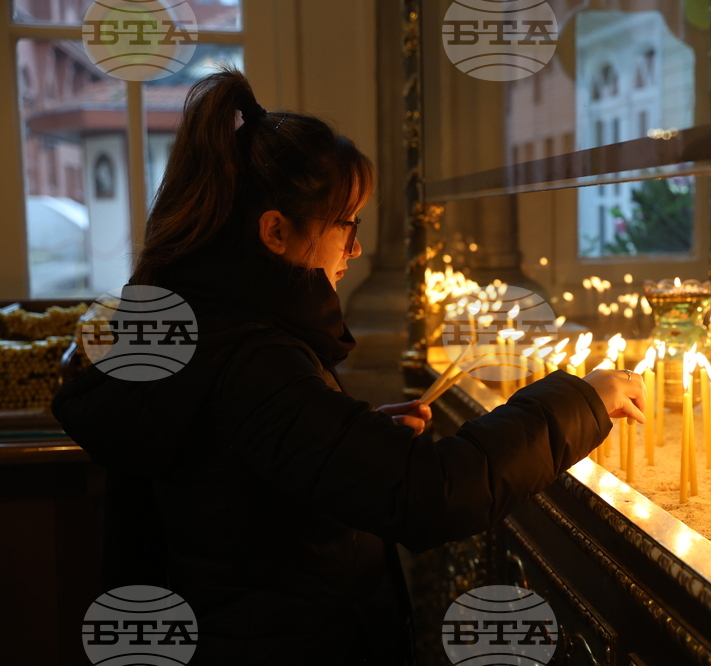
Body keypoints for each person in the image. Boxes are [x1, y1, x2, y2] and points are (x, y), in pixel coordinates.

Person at [51, 67, 645, 665]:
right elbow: (432, 493)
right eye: (346, 223)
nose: (355, 248)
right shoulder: (251, 358)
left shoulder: (202, 324)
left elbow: (241, 472)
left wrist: (348, 437)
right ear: (276, 231)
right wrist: (581, 398)